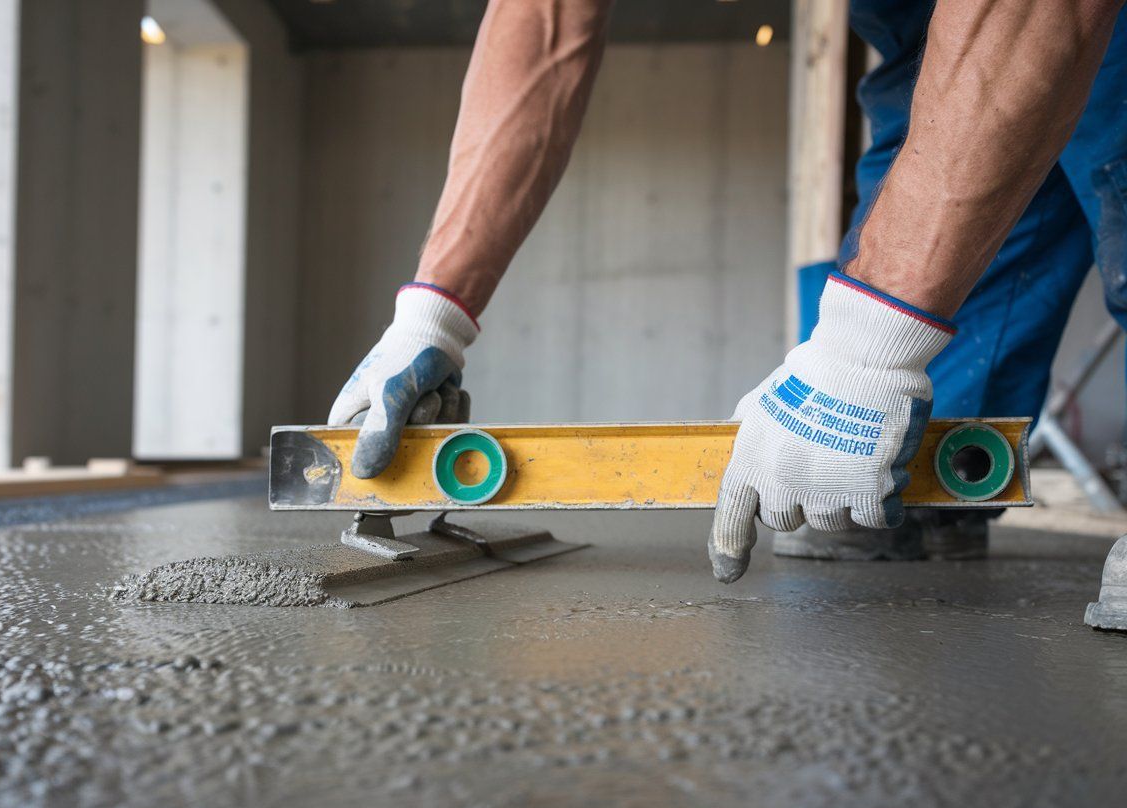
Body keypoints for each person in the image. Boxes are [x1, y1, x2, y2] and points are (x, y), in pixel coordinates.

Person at [328, 0, 1127, 583]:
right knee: (893, 468)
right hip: (927, 32)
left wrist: (867, 347)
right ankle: (928, 504)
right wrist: (433, 314)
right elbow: (542, 24)